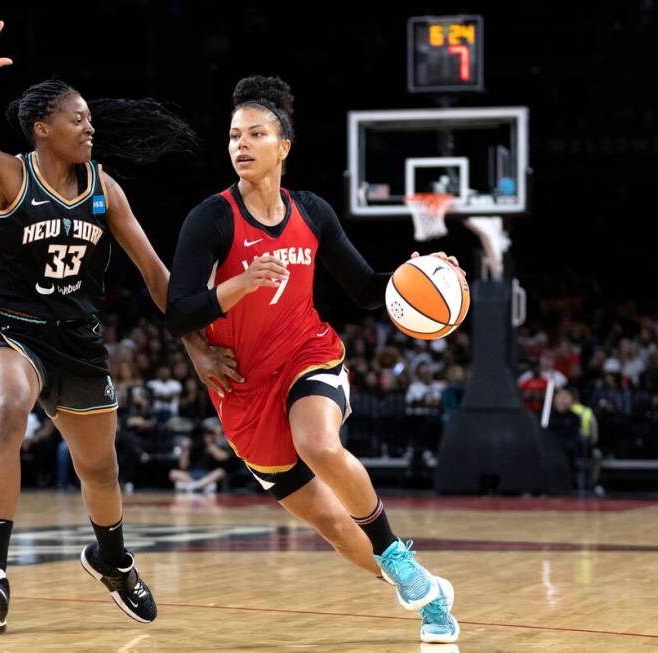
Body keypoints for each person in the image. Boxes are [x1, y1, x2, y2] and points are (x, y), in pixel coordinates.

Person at [0, 10, 236, 636]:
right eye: (77, 117)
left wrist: (194, 345)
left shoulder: (104, 189)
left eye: (89, 117)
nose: (90, 125)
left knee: (101, 471)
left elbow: (154, 272)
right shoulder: (8, 173)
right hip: (9, 328)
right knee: (8, 409)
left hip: (79, 341)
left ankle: (111, 559)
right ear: (43, 129)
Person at [166, 75, 460, 643]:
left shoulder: (313, 212)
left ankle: (399, 557)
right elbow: (178, 313)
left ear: (284, 146)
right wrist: (238, 285)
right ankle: (422, 587)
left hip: (308, 354)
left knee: (318, 443)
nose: (241, 145)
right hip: (244, 392)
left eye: (256, 133)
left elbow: (367, 287)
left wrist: (424, 274)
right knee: (332, 525)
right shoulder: (210, 218)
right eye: (233, 136)